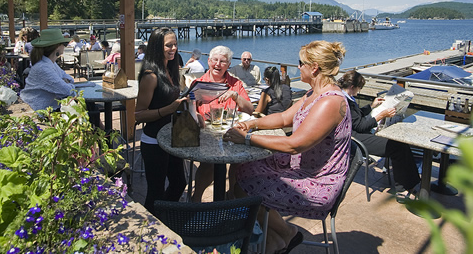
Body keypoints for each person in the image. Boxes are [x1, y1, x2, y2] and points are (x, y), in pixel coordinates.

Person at [222, 41, 350, 254]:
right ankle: (274, 241)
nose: (298, 67)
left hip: (319, 180)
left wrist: (246, 138)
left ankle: (288, 233)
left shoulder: (330, 102)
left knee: (243, 187)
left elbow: (295, 144)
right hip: (300, 166)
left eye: (301, 63)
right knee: (242, 168)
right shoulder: (312, 94)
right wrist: (252, 123)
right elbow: (283, 118)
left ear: (314, 67)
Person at [338, 70, 420, 199]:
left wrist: (372, 106)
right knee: (397, 147)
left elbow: (356, 116)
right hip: (354, 139)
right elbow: (360, 125)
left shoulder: (345, 96)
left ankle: (412, 182)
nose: (359, 92)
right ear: (352, 87)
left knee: (400, 145)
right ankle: (402, 189)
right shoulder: (344, 100)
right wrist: (381, 115)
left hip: (357, 134)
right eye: (359, 89)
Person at [191, 45, 254, 202]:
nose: (218, 64)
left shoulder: (235, 84)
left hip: (231, 134)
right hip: (207, 134)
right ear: (209, 61)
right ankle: (196, 198)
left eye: (223, 61)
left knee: (239, 163)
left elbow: (250, 110)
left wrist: (236, 97)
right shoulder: (198, 83)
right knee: (210, 164)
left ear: (228, 65)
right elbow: (190, 110)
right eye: (215, 60)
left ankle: (231, 196)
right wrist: (197, 115)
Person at [135, 27, 188, 215]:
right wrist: (169, 108)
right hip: (154, 141)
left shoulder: (172, 70)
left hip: (172, 137)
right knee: (155, 191)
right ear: (158, 47)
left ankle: (162, 217)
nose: (173, 48)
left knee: (179, 183)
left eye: (175, 44)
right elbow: (139, 114)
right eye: (169, 45)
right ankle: (151, 227)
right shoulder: (150, 76)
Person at [20, 29, 75, 111]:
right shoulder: (43, 67)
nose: (65, 46)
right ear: (57, 47)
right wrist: (66, 82)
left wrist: (65, 82)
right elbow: (68, 91)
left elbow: (68, 78)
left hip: (47, 107)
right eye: (64, 44)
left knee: (90, 108)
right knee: (88, 109)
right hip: (40, 110)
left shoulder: (50, 63)